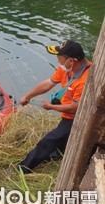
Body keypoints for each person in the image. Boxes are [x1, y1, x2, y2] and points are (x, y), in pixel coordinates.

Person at [18, 40, 92, 174]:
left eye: (60, 58)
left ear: (71, 60)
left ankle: (23, 169)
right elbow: (49, 83)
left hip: (79, 117)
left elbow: (75, 108)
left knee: (49, 140)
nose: (58, 61)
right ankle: (56, 155)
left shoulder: (85, 80)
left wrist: (51, 107)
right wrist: (27, 96)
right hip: (69, 112)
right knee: (61, 140)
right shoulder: (66, 68)